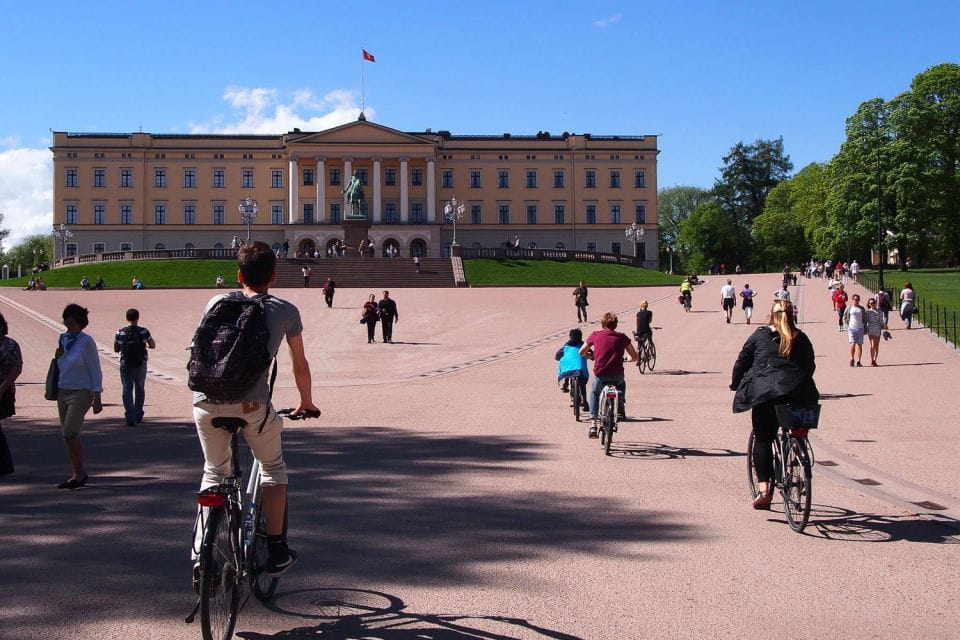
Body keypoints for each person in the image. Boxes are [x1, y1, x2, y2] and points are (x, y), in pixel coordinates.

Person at [192, 241, 319, 577]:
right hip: (251, 405)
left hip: (205, 400)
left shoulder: (216, 302)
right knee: (272, 468)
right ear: (273, 276)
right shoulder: (285, 310)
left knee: (214, 473)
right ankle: (276, 551)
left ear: (238, 275)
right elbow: (300, 364)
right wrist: (305, 401)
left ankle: (201, 558)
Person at [730, 299, 818, 509]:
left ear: (771, 315)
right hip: (801, 393)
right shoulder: (801, 337)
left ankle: (764, 491)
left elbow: (742, 361)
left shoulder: (760, 335)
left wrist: (735, 383)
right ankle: (797, 452)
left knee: (762, 439)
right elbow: (810, 365)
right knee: (798, 430)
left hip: (767, 393)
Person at [55, 304, 103, 489]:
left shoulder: (86, 341)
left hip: (82, 391)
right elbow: (62, 364)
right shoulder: (63, 339)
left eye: (73, 323)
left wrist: (97, 396)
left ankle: (79, 473)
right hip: (63, 389)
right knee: (67, 436)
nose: (69, 326)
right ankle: (77, 473)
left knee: (70, 431)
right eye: (67, 322)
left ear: (81, 323)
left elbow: (95, 368)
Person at [579, 312, 638, 438]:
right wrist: (628, 359)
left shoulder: (595, 335)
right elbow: (634, 356)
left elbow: (581, 352)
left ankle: (593, 424)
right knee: (622, 384)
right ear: (616, 324)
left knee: (595, 393)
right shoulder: (622, 337)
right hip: (617, 375)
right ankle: (620, 405)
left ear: (602, 324)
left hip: (601, 374)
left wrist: (589, 355)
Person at [113, 308, 156, 426]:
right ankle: (138, 414)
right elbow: (153, 345)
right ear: (138, 318)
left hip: (125, 363)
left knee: (127, 389)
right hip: (141, 362)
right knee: (140, 388)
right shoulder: (143, 331)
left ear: (126, 318)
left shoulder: (120, 332)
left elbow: (116, 348)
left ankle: (129, 416)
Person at [0, 313, 23, 476]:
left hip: (3, 389)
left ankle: (5, 464)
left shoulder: (10, 345)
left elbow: (17, 368)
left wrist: (3, 387)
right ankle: (5, 464)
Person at [555, 328, 590, 412]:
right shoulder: (583, 345)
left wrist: (559, 358)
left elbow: (557, 355)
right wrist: (592, 356)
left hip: (568, 369)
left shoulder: (566, 345)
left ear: (570, 336)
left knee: (568, 366)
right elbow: (591, 353)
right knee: (582, 384)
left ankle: (566, 383)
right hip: (580, 369)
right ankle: (585, 401)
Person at [843, 294, 866, 367]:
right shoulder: (849, 308)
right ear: (852, 300)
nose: (856, 301)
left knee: (859, 345)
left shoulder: (862, 309)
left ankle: (858, 361)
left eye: (857, 299)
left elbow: (865, 319)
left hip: (860, 328)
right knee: (852, 343)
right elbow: (844, 317)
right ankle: (852, 359)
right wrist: (846, 326)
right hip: (851, 328)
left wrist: (865, 328)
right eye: (855, 299)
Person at [864, 298, 884, 366]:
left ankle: (875, 360)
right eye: (871, 303)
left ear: (875, 303)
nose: (872, 304)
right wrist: (865, 328)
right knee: (872, 344)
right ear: (869, 304)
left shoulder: (879, 311)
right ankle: (872, 360)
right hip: (870, 329)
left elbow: (881, 321)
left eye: (873, 303)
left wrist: (883, 326)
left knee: (877, 345)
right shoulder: (867, 312)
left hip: (878, 328)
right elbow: (866, 321)